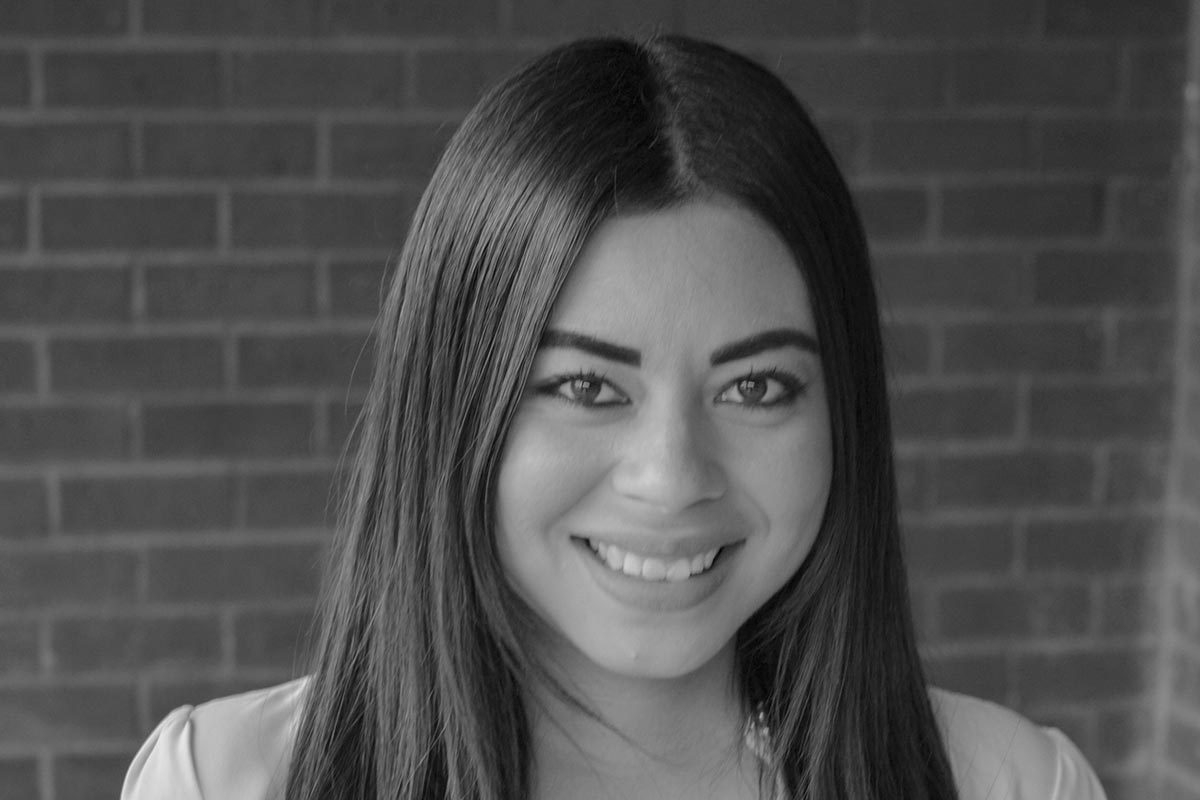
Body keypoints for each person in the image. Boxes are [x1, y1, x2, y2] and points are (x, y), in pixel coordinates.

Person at [121, 35, 1107, 800]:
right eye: (587, 387)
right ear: (455, 408)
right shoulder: (222, 783)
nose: (672, 476)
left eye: (756, 388)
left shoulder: (1013, 786)